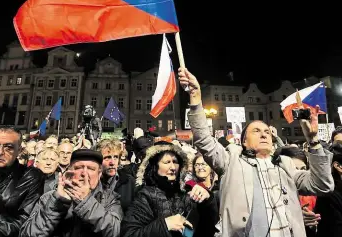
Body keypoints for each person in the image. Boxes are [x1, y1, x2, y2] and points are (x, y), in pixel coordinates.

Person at [178, 67, 334, 236]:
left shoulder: (285, 164)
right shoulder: (231, 161)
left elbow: (323, 186)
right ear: (244, 141)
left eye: (267, 131)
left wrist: (313, 141)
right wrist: (195, 97)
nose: (264, 134)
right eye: (256, 131)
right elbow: (203, 140)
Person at [121, 143, 218, 237]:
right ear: (155, 166)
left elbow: (209, 229)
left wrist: (208, 202)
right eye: (167, 162)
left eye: (175, 162)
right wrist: (165, 225)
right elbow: (130, 233)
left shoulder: (187, 192)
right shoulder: (144, 196)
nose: (172, 167)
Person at [20, 148, 123, 237]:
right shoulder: (51, 197)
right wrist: (58, 203)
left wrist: (86, 202)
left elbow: (115, 231)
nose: (84, 173)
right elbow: (28, 234)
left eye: (91, 169)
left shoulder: (110, 198)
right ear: (69, 171)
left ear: (99, 173)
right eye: (78, 168)